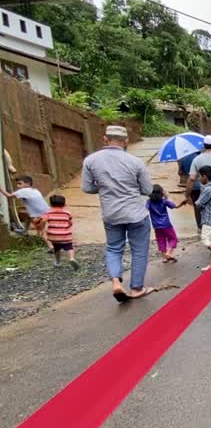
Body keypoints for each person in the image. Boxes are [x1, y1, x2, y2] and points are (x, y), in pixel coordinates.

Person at [81, 125, 154, 302]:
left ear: (105, 139)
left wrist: (105, 187)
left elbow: (87, 187)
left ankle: (116, 282)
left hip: (111, 214)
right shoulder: (135, 162)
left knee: (114, 248)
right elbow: (147, 189)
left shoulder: (91, 161)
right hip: (136, 213)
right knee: (139, 251)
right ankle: (137, 288)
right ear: (126, 141)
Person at [0, 174, 50, 248]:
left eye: (20, 183)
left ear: (27, 184)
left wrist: (1, 189)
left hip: (37, 215)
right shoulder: (35, 190)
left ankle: (51, 247)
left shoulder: (22, 191)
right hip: (47, 212)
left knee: (42, 232)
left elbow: (9, 196)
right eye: (17, 184)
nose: (18, 186)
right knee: (27, 216)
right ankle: (25, 231)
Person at [147, 184, 186, 263]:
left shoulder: (149, 202)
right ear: (161, 193)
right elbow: (175, 206)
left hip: (156, 226)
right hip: (166, 224)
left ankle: (165, 257)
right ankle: (168, 253)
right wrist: (182, 203)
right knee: (173, 238)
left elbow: (144, 210)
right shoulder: (164, 201)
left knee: (161, 240)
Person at [44, 194, 79, 270]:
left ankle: (57, 262)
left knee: (56, 249)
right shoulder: (67, 213)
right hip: (65, 235)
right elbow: (70, 223)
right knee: (70, 247)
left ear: (50, 204)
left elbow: (43, 220)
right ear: (64, 204)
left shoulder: (48, 213)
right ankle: (72, 258)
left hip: (53, 236)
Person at [179, 151, 202, 231]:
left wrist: (187, 194)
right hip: (204, 185)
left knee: (197, 207)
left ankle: (200, 226)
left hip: (193, 187)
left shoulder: (184, 158)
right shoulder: (200, 157)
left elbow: (180, 172)